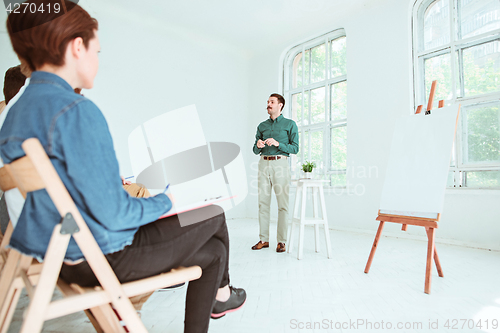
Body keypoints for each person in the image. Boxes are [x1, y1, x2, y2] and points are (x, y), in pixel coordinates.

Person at [0, 2, 245, 332]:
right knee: (212, 211)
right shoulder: (76, 109)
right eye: (96, 51)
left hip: (56, 254)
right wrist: (168, 201)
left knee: (213, 252)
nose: (98, 61)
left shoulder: (16, 112)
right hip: (97, 258)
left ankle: (218, 296)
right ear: (76, 47)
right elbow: (116, 215)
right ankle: (221, 295)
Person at [252, 93, 299, 253]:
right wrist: (258, 145)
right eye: (267, 102)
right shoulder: (262, 126)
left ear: (280, 105)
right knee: (263, 203)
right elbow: (254, 149)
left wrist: (279, 144)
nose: (268, 104)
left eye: (272, 102)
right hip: (263, 163)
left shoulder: (290, 124)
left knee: (282, 205)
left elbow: (295, 148)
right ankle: (263, 239)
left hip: (280, 164)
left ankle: (281, 241)